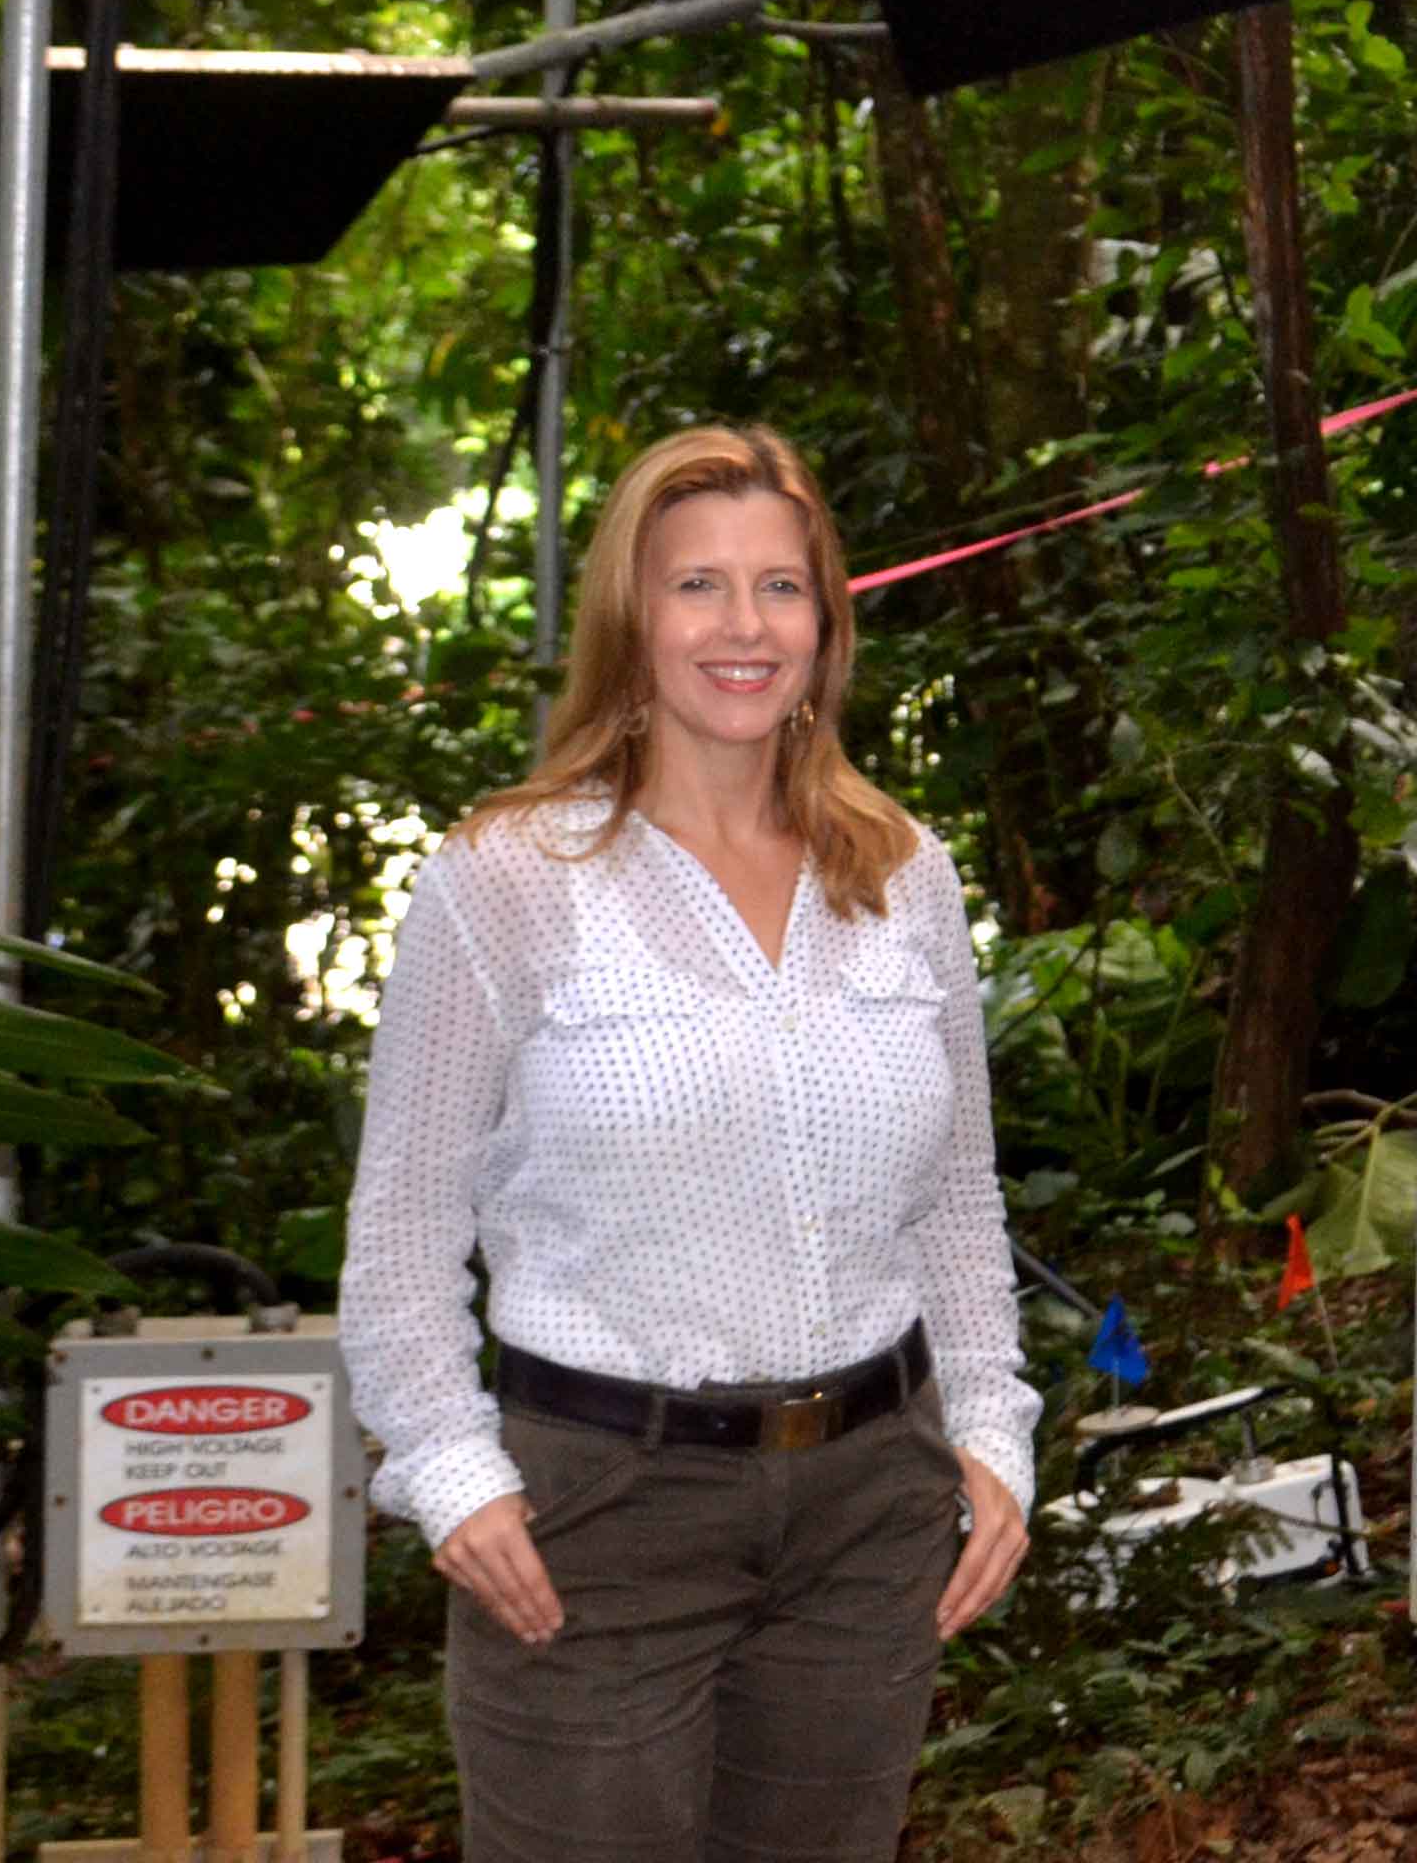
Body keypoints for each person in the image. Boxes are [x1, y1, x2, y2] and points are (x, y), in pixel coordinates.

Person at [341, 421, 1039, 1863]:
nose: (743, 627)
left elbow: (957, 1201)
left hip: (867, 1506)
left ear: (827, 623)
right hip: (598, 1512)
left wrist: (991, 1432)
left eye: (780, 588)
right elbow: (403, 1226)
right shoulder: (510, 880)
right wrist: (451, 1473)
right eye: (697, 587)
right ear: (628, 620)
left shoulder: (902, 874)